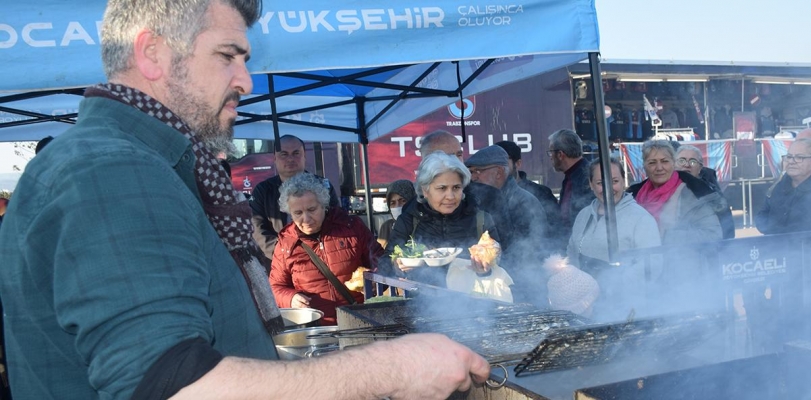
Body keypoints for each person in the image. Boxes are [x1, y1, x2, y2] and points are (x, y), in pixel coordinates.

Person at [0, 1, 490, 399]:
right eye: (226, 56)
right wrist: (389, 368)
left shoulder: (142, 164)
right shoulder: (114, 169)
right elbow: (172, 386)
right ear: (152, 52)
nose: (246, 81)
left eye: (245, 60)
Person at [269, 173, 385, 325]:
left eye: (312, 209)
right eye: (298, 213)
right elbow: (275, 287)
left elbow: (382, 263)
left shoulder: (351, 227)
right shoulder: (286, 243)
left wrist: (375, 280)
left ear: (323, 205)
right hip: (317, 327)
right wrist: (290, 298)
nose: (306, 219)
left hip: (360, 321)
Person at [383, 152, 500, 287]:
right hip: (421, 298)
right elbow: (385, 263)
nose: (450, 196)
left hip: (473, 296)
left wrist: (486, 269)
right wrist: (397, 265)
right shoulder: (409, 220)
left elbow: (504, 262)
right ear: (425, 190)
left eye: (456, 187)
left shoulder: (481, 219)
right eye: (442, 188)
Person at [465, 145, 548, 303]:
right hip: (498, 284)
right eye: (471, 172)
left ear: (498, 172)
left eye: (478, 171)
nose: (473, 177)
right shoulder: (486, 200)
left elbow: (528, 252)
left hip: (522, 289)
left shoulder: (524, 203)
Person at [250, 134, 339, 272]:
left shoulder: (323, 186)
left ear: (304, 156)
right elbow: (258, 231)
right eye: (284, 154)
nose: (290, 159)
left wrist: (315, 253)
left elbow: (337, 223)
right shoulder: (262, 191)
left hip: (322, 263)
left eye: (296, 153)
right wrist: (288, 255)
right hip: (279, 266)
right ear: (275, 158)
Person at [567, 157, 661, 271]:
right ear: (591, 184)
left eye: (614, 181)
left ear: (623, 181)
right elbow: (572, 254)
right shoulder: (583, 215)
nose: (608, 188)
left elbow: (653, 265)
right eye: (600, 183)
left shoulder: (642, 219)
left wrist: (614, 281)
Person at [626, 140, 724, 244]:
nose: (659, 168)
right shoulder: (633, 195)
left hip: (681, 254)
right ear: (644, 166)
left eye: (664, 161)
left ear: (673, 164)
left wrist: (666, 236)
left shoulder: (692, 193)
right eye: (652, 162)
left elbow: (713, 234)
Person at [495, 140, 560, 229]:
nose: (498, 169)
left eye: (503, 163)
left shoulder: (541, 193)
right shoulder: (489, 195)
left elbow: (556, 229)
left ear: (518, 164)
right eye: (493, 165)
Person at [674, 144, 735, 239]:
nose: (687, 165)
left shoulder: (712, 195)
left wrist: (672, 236)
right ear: (674, 164)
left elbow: (726, 232)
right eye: (681, 161)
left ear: (700, 168)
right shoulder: (663, 190)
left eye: (693, 161)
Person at [548, 129, 593, 249]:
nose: (550, 157)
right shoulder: (571, 176)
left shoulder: (587, 176)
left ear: (560, 154)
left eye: (551, 152)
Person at [377, 179, 416, 247]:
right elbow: (380, 251)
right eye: (393, 203)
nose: (397, 206)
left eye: (403, 201)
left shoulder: (422, 225)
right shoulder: (387, 226)